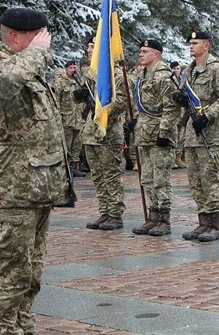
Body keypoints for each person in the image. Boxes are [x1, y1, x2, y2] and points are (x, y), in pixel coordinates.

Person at [0, 7, 76, 335]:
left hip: (36, 187)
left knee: (30, 276)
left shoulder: (25, 65)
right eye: (40, 36)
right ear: (16, 36)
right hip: (13, 189)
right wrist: (36, 54)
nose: (45, 44)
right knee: (9, 276)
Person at [179, 31, 219, 242]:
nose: (191, 46)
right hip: (192, 135)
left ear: (206, 45)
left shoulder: (217, 70)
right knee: (195, 181)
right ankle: (202, 223)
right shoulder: (188, 71)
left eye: (195, 43)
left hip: (210, 135)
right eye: (190, 43)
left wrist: (207, 115)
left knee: (210, 180)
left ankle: (214, 225)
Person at [75, 36, 127, 230]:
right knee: (97, 175)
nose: (90, 50)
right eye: (88, 46)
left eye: (93, 46)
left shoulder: (115, 75)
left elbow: (121, 102)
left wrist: (102, 110)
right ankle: (104, 212)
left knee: (111, 174)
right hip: (90, 131)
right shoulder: (92, 73)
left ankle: (115, 214)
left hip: (108, 131)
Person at [130, 39, 180, 236]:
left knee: (161, 178)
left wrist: (164, 132)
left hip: (160, 134)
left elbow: (172, 107)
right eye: (140, 51)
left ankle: (164, 219)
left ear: (156, 54)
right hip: (145, 133)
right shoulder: (141, 75)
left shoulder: (164, 77)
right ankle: (153, 216)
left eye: (145, 51)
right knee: (148, 178)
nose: (141, 54)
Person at [54, 60, 87, 177]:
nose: (73, 70)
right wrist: (56, 115)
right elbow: (56, 99)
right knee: (66, 143)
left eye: (75, 67)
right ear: (66, 69)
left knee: (77, 143)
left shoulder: (80, 82)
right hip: (66, 117)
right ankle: (65, 167)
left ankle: (75, 166)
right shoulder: (60, 82)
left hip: (79, 117)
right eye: (71, 68)